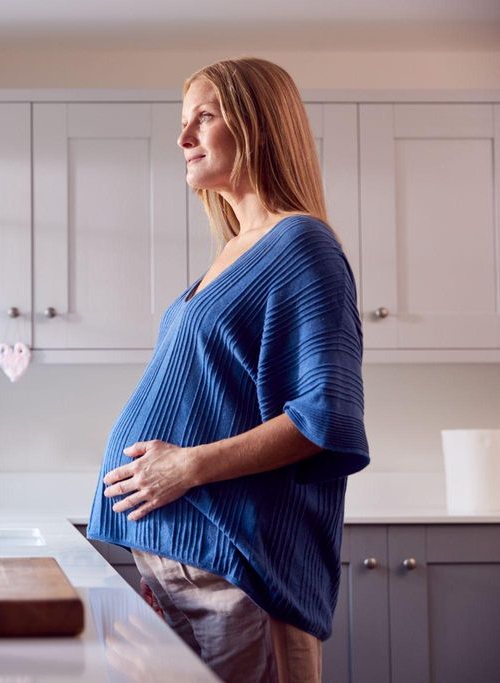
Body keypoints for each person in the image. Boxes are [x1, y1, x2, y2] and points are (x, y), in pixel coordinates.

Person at [86, 57, 369, 683]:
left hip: (236, 568)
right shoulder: (231, 253)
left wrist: (186, 467)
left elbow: (325, 416)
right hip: (181, 560)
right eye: (182, 123)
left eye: (203, 118)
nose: (183, 139)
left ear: (259, 124)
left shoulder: (301, 245)